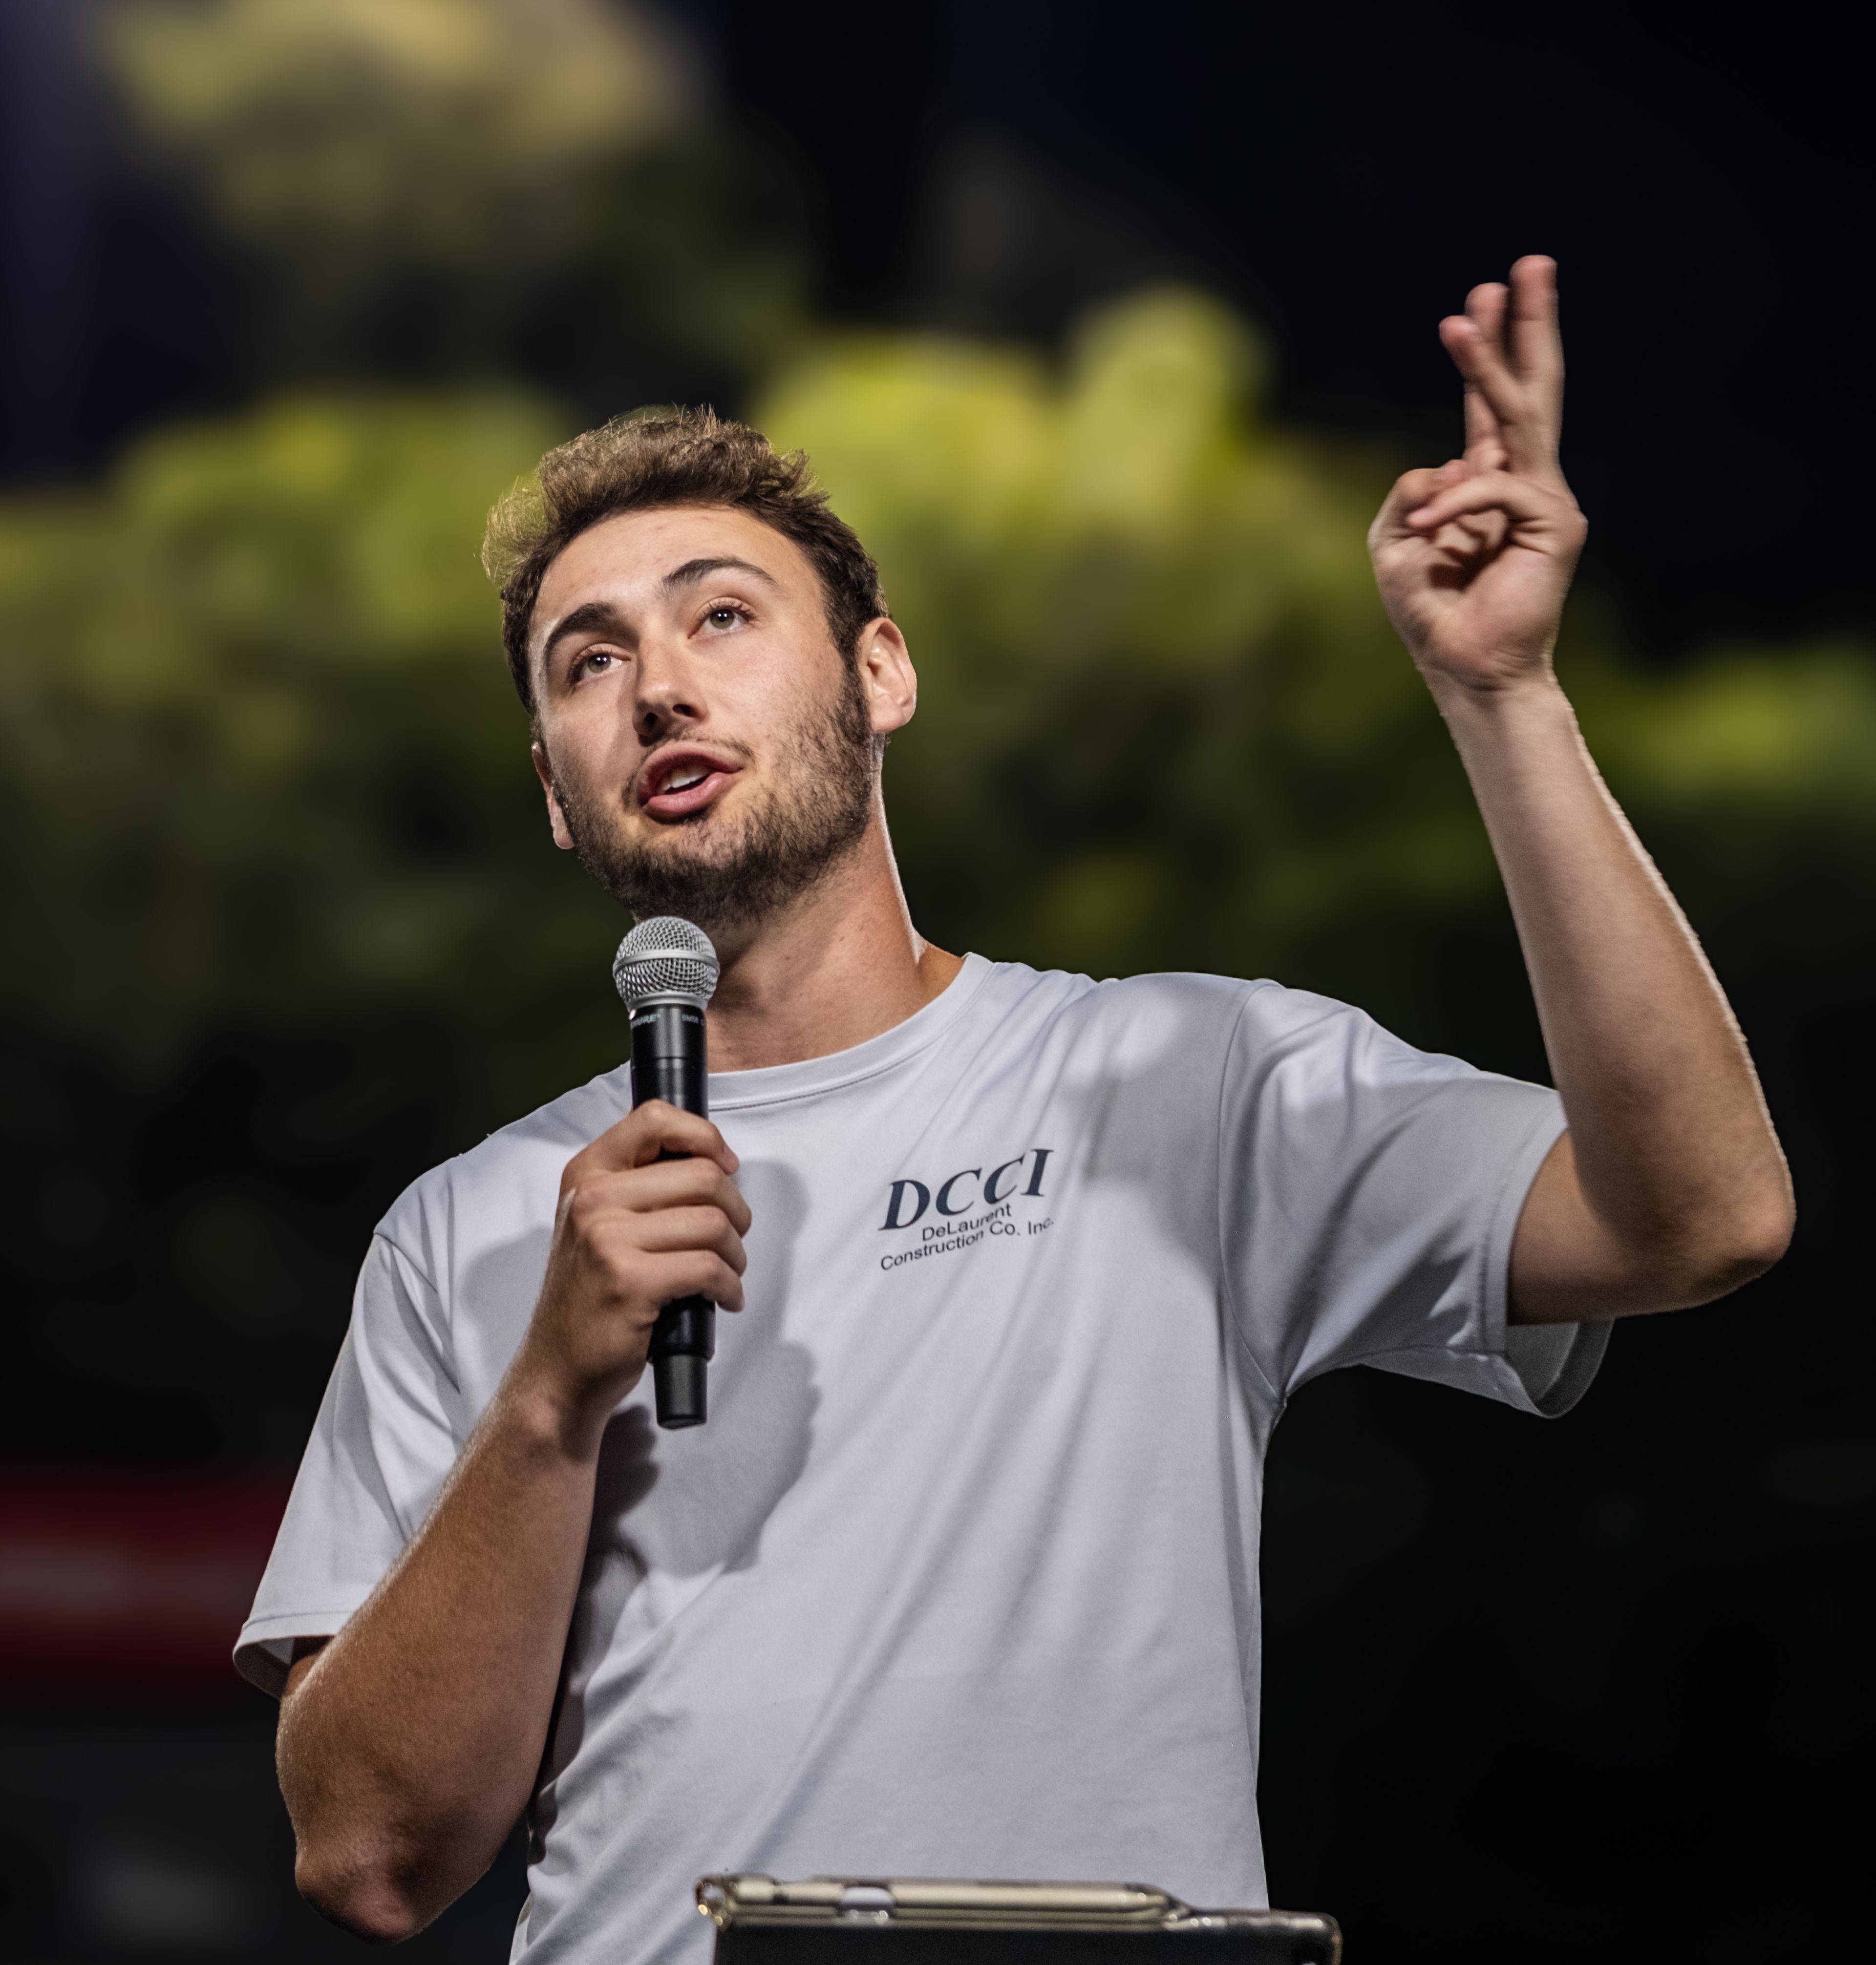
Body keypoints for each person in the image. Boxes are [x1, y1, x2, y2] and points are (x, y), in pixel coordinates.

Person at [239, 259, 1792, 1962]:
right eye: (587, 665)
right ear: (557, 792)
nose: (660, 688)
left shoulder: (1191, 1081)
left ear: (883, 673)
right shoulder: (470, 1226)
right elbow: (372, 1856)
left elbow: (1699, 1220)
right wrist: (549, 1399)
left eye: (723, 616)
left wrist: (1506, 699)